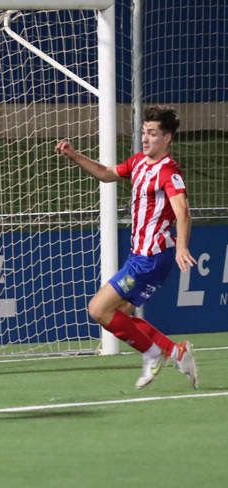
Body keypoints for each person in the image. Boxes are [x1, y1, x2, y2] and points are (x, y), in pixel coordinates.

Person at [55, 105, 198, 389]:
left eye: (153, 134)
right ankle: (174, 351)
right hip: (141, 257)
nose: (145, 139)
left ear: (167, 138)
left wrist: (182, 247)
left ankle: (153, 352)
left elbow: (183, 211)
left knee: (98, 309)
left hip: (150, 259)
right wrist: (74, 155)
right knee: (119, 314)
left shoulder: (168, 171)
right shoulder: (139, 163)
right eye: (144, 132)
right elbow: (108, 173)